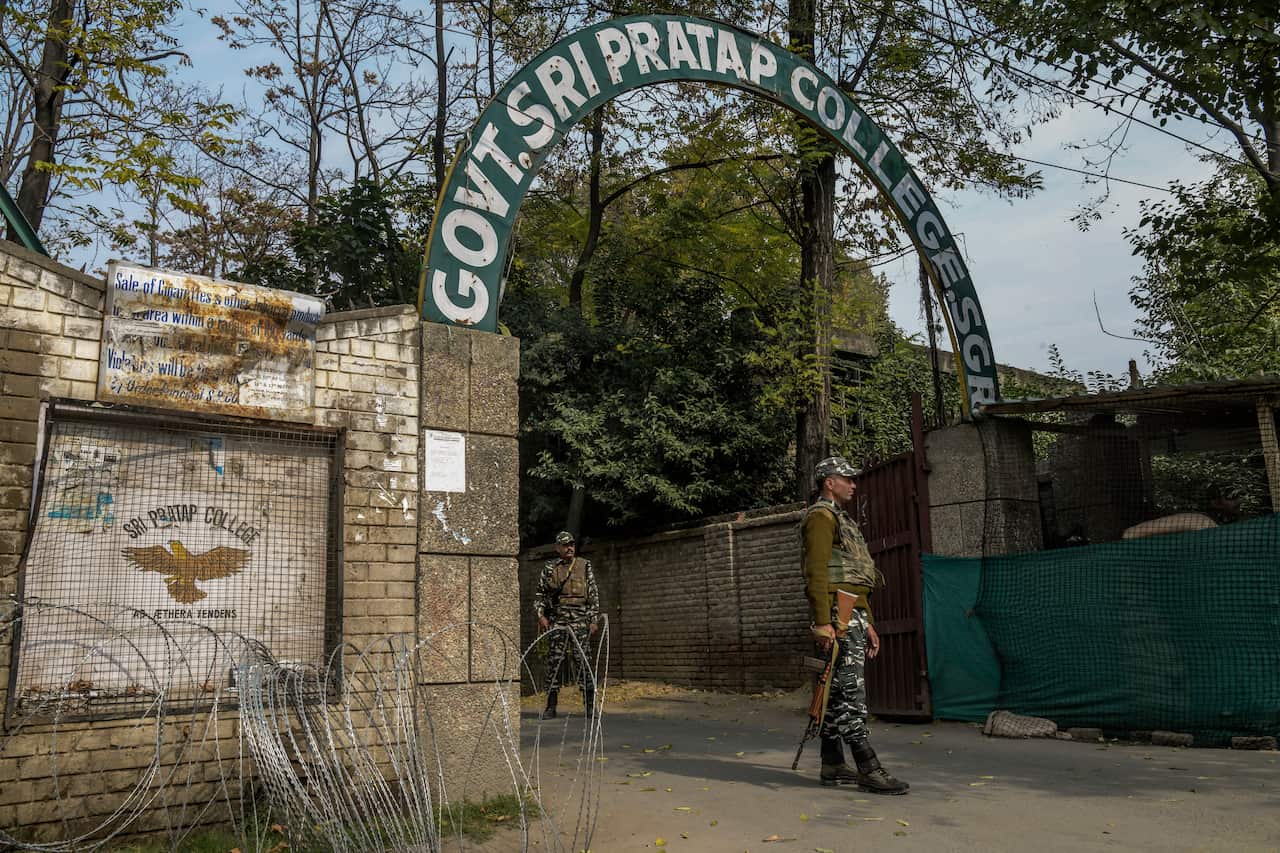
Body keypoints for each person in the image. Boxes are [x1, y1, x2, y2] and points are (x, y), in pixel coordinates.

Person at [801, 456, 909, 795]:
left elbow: (853, 578)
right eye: (846, 478)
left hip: (849, 613)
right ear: (828, 483)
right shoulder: (820, 517)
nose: (853, 484)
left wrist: (869, 622)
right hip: (835, 616)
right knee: (850, 692)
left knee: (835, 691)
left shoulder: (839, 518)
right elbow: (816, 572)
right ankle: (868, 767)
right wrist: (822, 622)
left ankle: (832, 762)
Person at [534, 530, 601, 720]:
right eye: (565, 545)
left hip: (580, 620)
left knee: (584, 661)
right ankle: (551, 706)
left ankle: (589, 705)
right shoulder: (550, 568)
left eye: (571, 544)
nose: (569, 547)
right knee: (555, 662)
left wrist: (593, 619)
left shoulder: (584, 565)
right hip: (559, 619)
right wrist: (541, 616)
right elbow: (540, 595)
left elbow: (593, 594)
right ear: (558, 548)